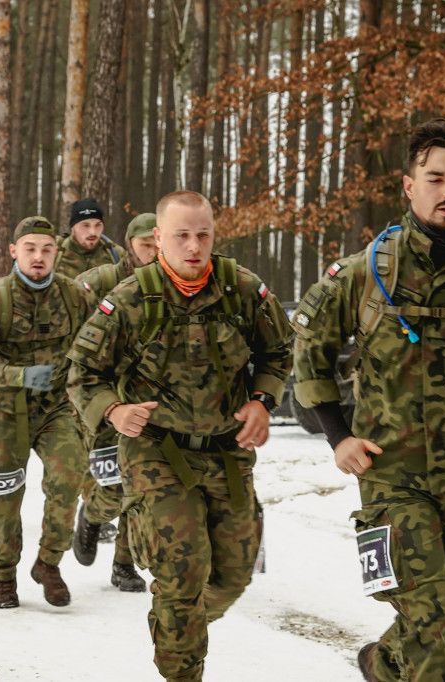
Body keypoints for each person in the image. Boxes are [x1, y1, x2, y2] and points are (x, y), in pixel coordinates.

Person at [292, 119, 445, 682]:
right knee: (428, 617)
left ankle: (382, 662)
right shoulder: (362, 273)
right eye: (435, 178)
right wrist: (338, 435)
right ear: (408, 185)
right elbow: (308, 354)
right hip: (390, 473)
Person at [67, 191, 292, 681]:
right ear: (158, 240)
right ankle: (181, 659)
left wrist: (262, 401)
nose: (194, 246)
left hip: (228, 451)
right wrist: (114, 409)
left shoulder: (242, 289)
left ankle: (177, 623)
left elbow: (278, 353)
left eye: (203, 235)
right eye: (182, 236)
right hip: (156, 451)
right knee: (182, 571)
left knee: (234, 573)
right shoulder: (129, 299)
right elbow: (83, 371)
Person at [0, 216, 92, 610]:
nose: (39, 257)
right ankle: (4, 576)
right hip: (5, 411)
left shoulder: (74, 295)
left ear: (56, 253)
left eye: (47, 250)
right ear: (14, 252)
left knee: (68, 479)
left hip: (56, 409)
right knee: (6, 500)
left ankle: (48, 563)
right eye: (30, 249)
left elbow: (100, 340)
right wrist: (18, 375)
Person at [71, 212, 159, 593]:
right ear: (129, 245)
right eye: (145, 246)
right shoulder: (101, 281)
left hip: (147, 400)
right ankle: (92, 515)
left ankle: (124, 564)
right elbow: (65, 321)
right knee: (112, 487)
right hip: (103, 401)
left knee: (139, 485)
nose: (154, 253)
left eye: (158, 245)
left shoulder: (169, 283)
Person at [54, 197, 127, 279]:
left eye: (98, 225)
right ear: (73, 227)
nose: (92, 232)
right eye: (85, 225)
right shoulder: (55, 252)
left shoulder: (116, 254)